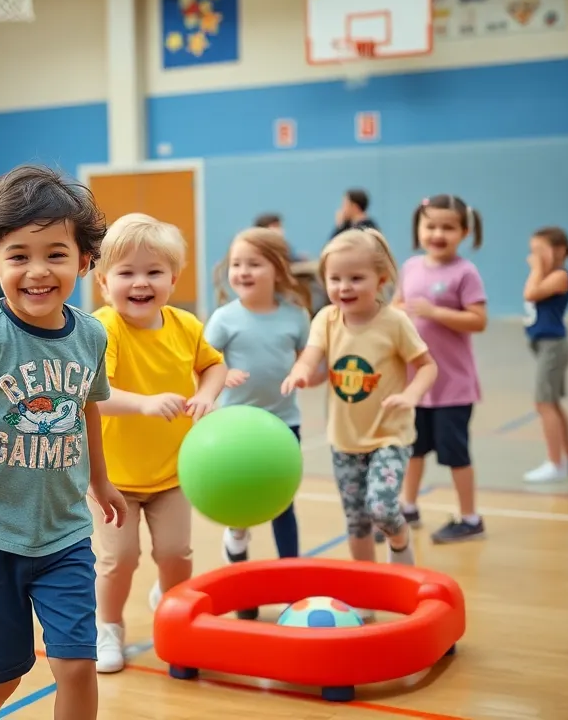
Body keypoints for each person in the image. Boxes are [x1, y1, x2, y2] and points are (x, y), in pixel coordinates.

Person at [0, 164, 127, 720]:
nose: (37, 271)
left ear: (84, 261)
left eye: (55, 254)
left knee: (76, 665)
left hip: (64, 532)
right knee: (1, 675)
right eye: (19, 256)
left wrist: (100, 480)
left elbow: (88, 407)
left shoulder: (90, 334)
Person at [90, 213, 226, 672]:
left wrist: (206, 396)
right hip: (112, 479)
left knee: (175, 554)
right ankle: (108, 627)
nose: (140, 283)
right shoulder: (103, 328)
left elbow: (214, 366)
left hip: (173, 473)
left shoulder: (185, 325)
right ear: (104, 282)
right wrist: (145, 404)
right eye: (126, 273)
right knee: (119, 559)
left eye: (153, 272)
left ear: (174, 278)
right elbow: (92, 395)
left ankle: (172, 612)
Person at [282, 228, 437, 575]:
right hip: (345, 440)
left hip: (389, 437)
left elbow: (427, 366)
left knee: (381, 508)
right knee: (357, 522)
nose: (343, 287)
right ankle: (367, 585)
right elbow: (311, 356)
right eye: (334, 279)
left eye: (356, 278)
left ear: (380, 279)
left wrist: (412, 394)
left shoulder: (394, 323)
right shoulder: (327, 318)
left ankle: (400, 542)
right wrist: (301, 372)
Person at [206, 227, 317, 606]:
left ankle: (292, 582)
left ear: (277, 269)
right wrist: (222, 371)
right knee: (244, 503)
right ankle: (238, 553)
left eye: (254, 263)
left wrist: (306, 370)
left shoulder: (296, 316)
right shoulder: (224, 318)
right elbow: (202, 363)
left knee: (283, 502)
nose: (243, 271)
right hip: (238, 430)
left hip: (284, 424)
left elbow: (309, 355)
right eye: (237, 264)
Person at [393, 195, 488, 544]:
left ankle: (470, 518)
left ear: (464, 231)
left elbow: (478, 320)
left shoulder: (465, 272)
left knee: (455, 454)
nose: (437, 233)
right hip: (415, 385)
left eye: (448, 227)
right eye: (430, 225)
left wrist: (436, 313)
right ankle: (408, 507)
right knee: (412, 449)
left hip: (453, 387)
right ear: (418, 228)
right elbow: (397, 306)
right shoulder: (410, 267)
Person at [522, 226, 568, 484]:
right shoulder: (548, 275)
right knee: (553, 403)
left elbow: (530, 293)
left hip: (553, 346)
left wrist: (535, 267)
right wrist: (538, 266)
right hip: (543, 345)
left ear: (559, 251)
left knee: (544, 403)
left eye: (540, 250)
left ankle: (554, 463)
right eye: (532, 251)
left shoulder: (561, 276)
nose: (534, 256)